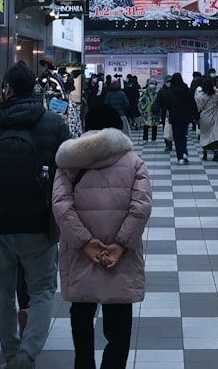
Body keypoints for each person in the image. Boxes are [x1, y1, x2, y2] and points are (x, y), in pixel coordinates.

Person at [0, 63, 70, 369]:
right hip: (39, 224)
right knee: (43, 290)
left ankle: (11, 352)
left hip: (0, 225)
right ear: (35, 89)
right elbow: (70, 172)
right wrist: (54, 207)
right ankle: (27, 356)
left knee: (1, 291)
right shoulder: (54, 124)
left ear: (6, 89)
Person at [53, 105, 152, 369]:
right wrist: (120, 245)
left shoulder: (69, 161)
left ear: (86, 127)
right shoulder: (133, 162)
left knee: (81, 317)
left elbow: (61, 206)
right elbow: (141, 207)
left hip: (81, 254)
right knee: (119, 324)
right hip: (119, 258)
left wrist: (85, 242)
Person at [162, 73, 199, 164]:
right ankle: (184, 153)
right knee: (183, 136)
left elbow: (166, 105)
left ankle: (180, 157)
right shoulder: (187, 90)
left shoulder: (170, 91)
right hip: (185, 117)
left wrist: (164, 117)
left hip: (174, 117)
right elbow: (192, 104)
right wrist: (196, 116)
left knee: (177, 137)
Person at [194, 77, 218, 162]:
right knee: (215, 134)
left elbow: (199, 107)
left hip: (204, 116)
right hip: (214, 115)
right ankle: (215, 151)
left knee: (204, 134)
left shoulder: (200, 96)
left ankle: (205, 153)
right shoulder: (216, 94)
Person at [138, 79, 160, 144]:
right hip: (155, 111)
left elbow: (140, 101)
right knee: (154, 125)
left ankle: (145, 139)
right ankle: (153, 139)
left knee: (146, 125)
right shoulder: (157, 92)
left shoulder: (146, 91)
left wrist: (141, 108)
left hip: (147, 110)